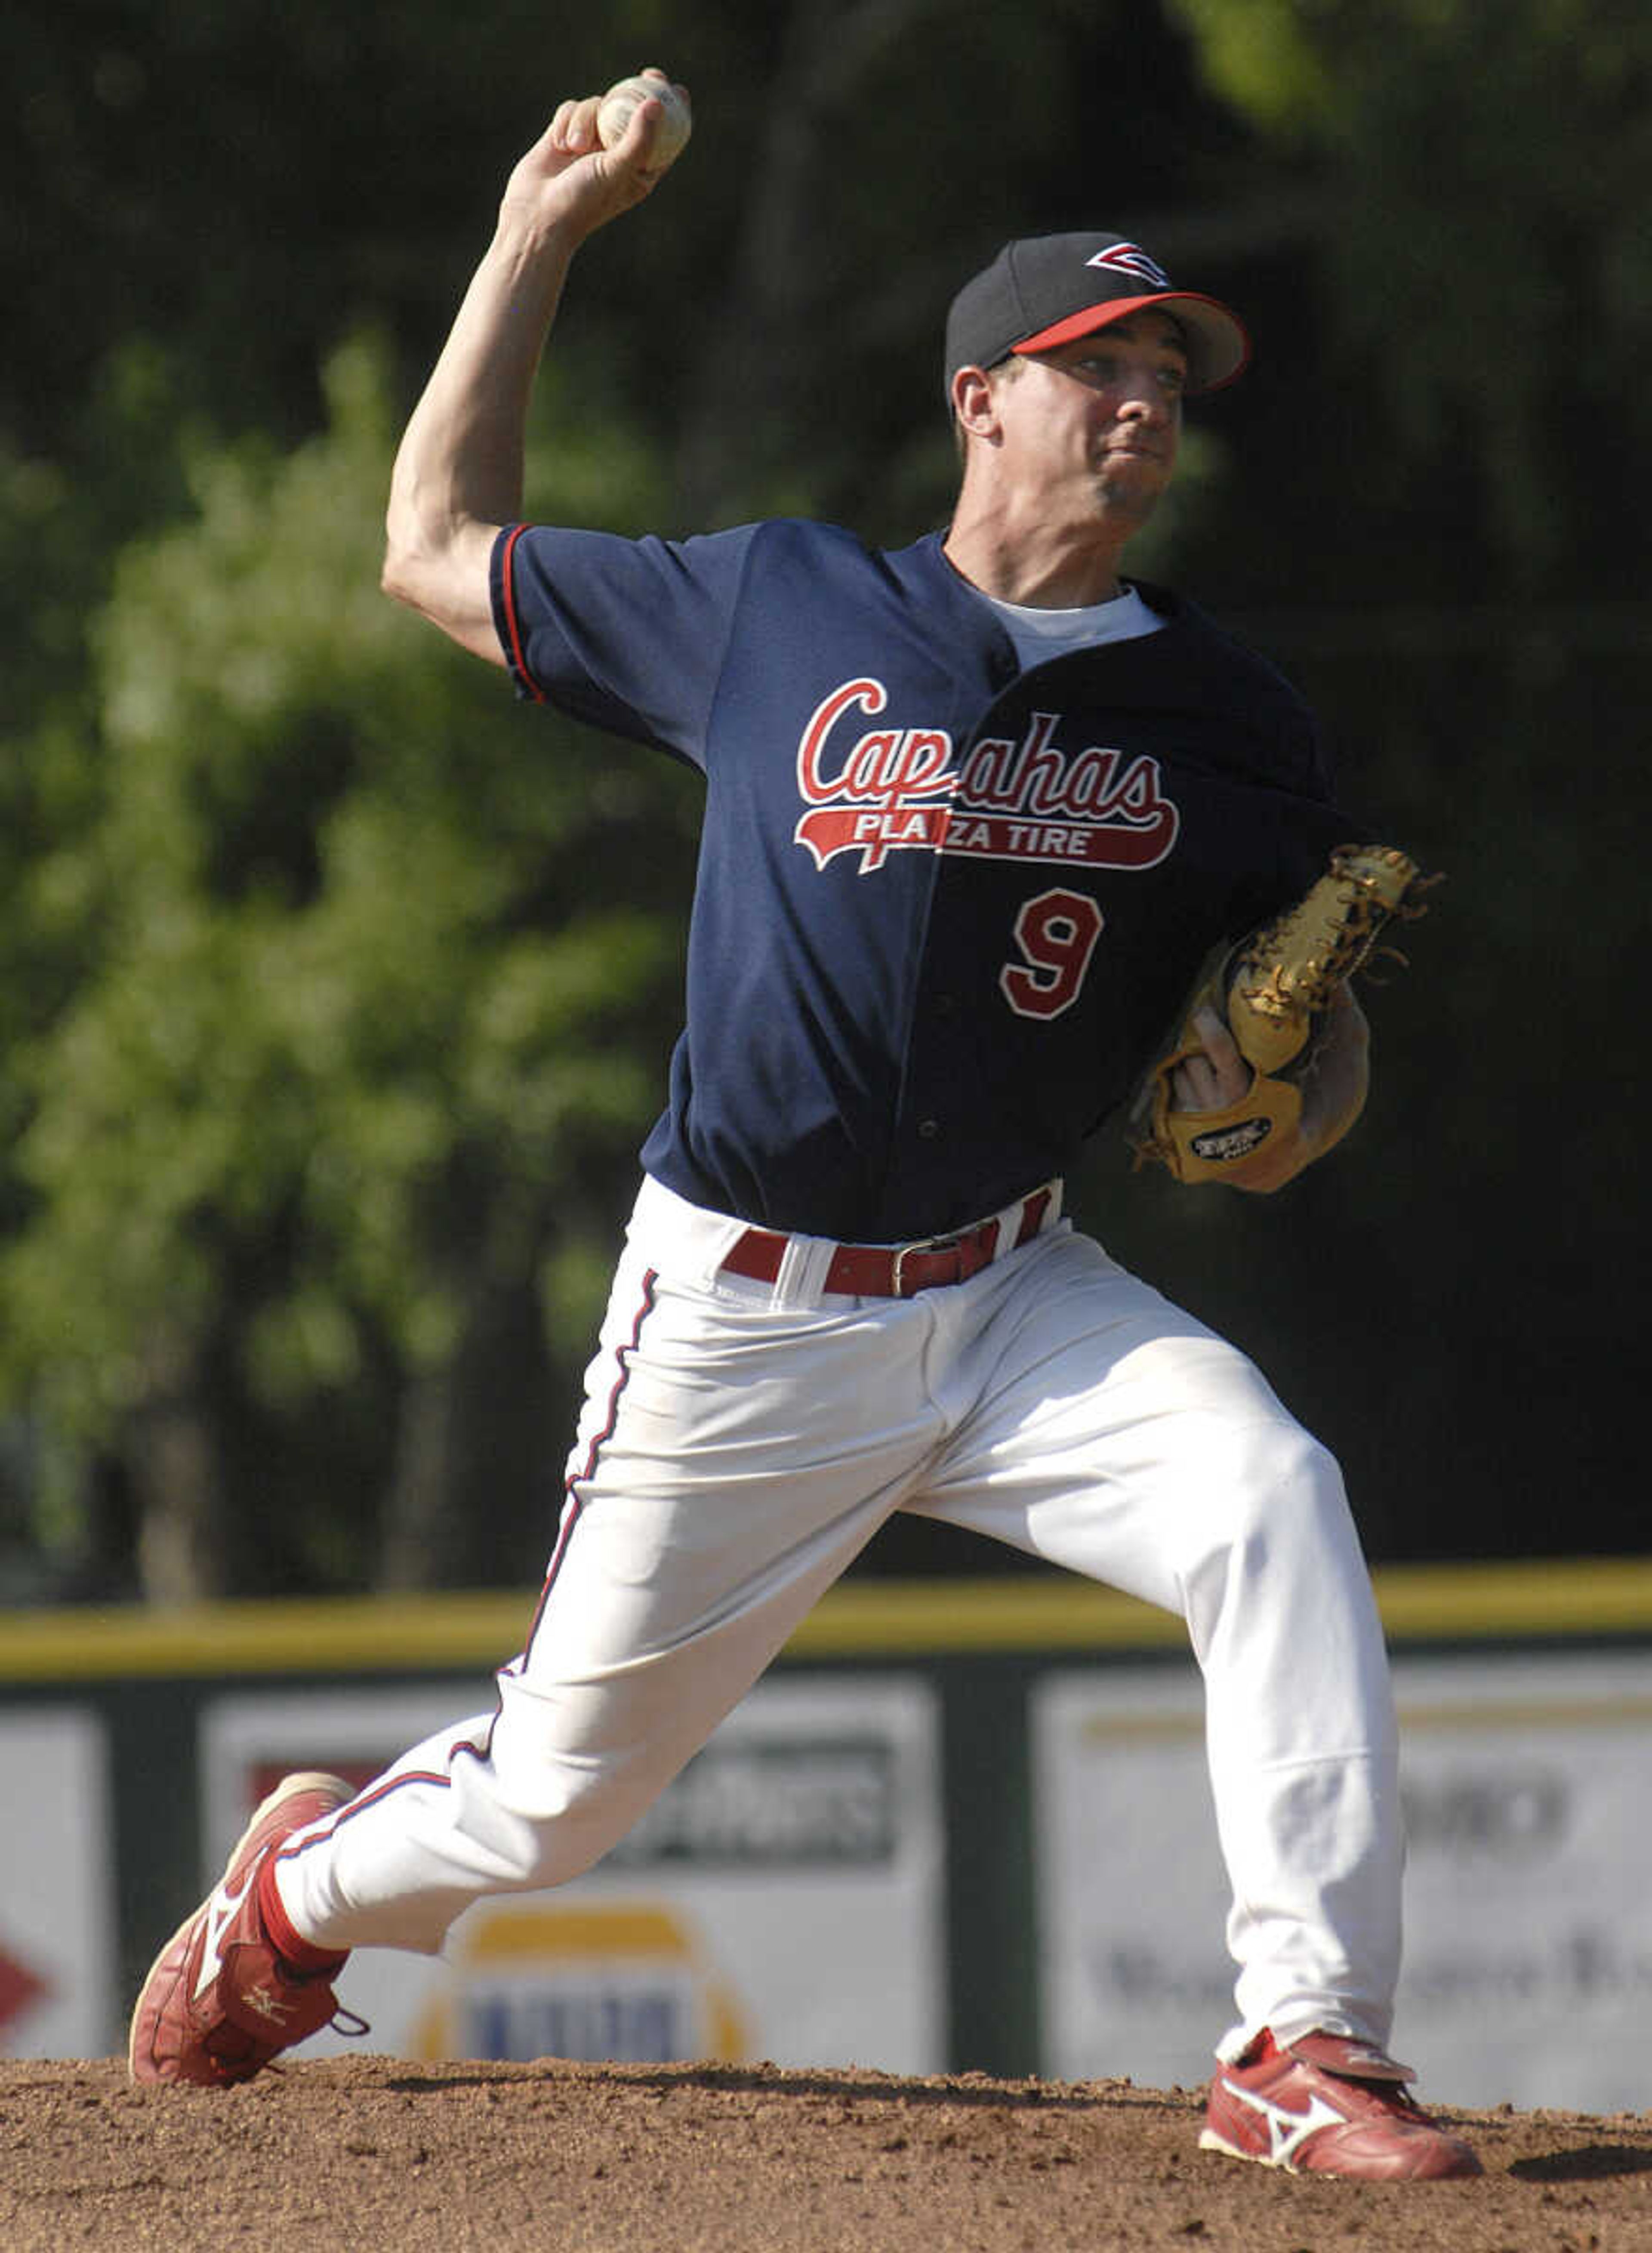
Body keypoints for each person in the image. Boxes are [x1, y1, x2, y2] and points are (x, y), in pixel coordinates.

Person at [127, 70, 1478, 2182]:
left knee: (1272, 1500)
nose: (1141, 402)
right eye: (1093, 367)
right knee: (553, 1807)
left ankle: (1304, 2042)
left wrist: (1285, 1104)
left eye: (1167, 375)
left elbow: (1295, 1061)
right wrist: (534, 240)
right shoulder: (782, 607)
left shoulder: (1230, 722)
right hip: (751, 1315)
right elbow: (427, 549)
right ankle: (291, 1899)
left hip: (1023, 1293)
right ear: (980, 404)